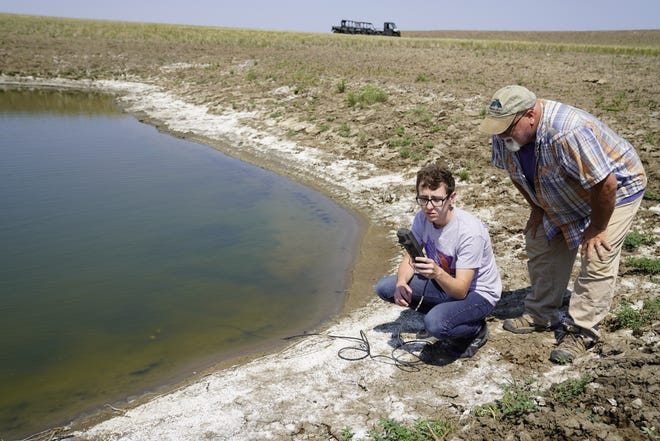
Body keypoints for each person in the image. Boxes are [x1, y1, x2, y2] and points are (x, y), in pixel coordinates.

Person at [479, 85, 647, 364]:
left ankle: (582, 330)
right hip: (567, 186)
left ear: (530, 116)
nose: (501, 135)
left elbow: (606, 183)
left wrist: (597, 227)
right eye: (497, 129)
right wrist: (536, 208)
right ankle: (541, 313)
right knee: (540, 240)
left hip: (616, 188)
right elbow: (515, 173)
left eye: (507, 129)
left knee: (597, 254)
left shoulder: (568, 131)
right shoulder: (505, 132)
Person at [375, 164, 502, 359]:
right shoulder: (422, 218)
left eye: (436, 199)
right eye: (423, 199)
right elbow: (410, 257)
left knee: (436, 324)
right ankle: (445, 314)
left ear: (451, 198)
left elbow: (460, 290)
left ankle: (476, 329)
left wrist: (437, 273)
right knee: (386, 287)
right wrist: (401, 283)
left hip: (478, 293)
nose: (429, 206)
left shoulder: (469, 232)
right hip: (444, 283)